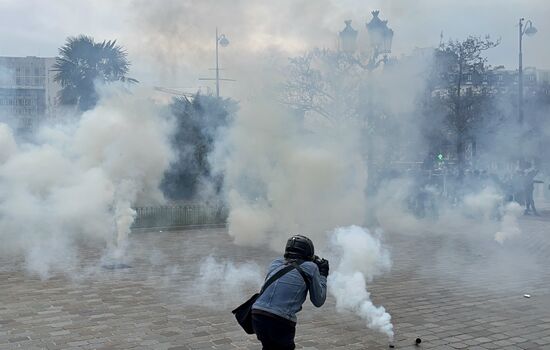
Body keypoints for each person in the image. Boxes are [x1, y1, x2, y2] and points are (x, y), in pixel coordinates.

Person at [252, 235, 329, 350]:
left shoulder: (276, 263)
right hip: (280, 320)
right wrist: (323, 274)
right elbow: (318, 300)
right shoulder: (311, 268)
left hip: (257, 315)